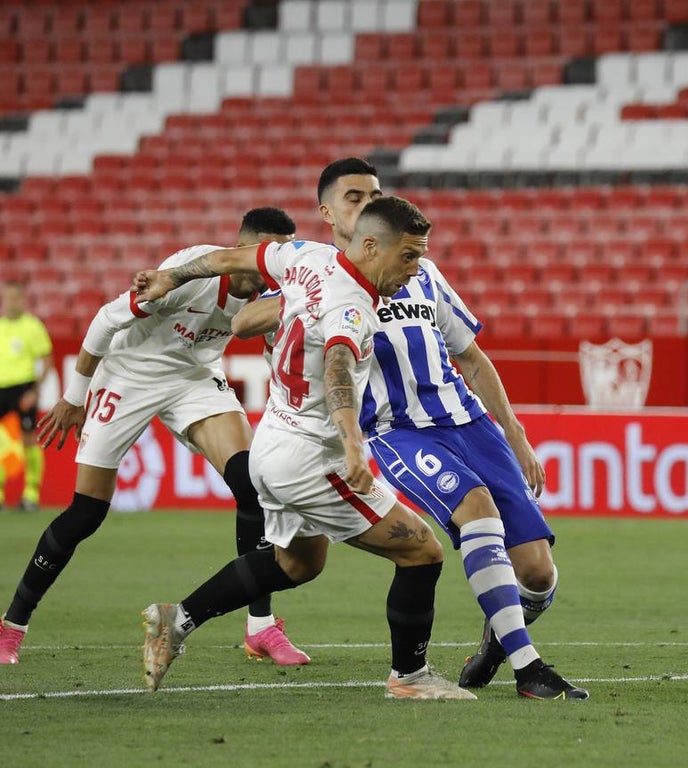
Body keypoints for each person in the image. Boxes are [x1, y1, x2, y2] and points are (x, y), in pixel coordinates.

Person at [233, 158, 587, 700]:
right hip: (399, 429)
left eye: (375, 194)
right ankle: (528, 668)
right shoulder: (313, 272)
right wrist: (309, 302)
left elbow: (470, 357)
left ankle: (499, 643)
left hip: (467, 421)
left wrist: (515, 434)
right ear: (327, 213)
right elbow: (244, 322)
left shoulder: (421, 269)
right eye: (354, 197)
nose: (367, 203)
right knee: (474, 509)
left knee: (537, 573)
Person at [136, 197, 474, 700]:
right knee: (422, 551)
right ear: (369, 246)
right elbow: (338, 365)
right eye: (407, 256)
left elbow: (229, 258)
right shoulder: (353, 306)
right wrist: (353, 443)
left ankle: (176, 619)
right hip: (313, 460)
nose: (415, 269)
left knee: (299, 563)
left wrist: (172, 276)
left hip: (271, 443)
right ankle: (410, 677)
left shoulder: (303, 257)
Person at [0, 209, 310, 667]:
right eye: (266, 253)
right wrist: (73, 397)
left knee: (252, 484)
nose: (274, 265)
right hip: (129, 375)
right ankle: (12, 626)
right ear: (242, 248)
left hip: (195, 377)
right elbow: (107, 320)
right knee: (86, 513)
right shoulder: (192, 271)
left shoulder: (273, 291)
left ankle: (260, 628)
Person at [0, 280, 53, 511]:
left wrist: (35, 390)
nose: (12, 302)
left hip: (24, 388)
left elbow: (47, 359)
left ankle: (31, 492)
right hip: (1, 387)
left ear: (23, 299)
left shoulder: (33, 326)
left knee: (29, 439)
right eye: (8, 297)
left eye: (16, 298)